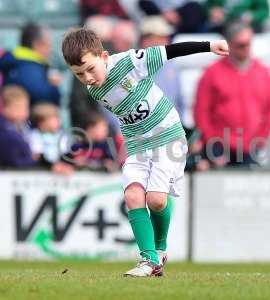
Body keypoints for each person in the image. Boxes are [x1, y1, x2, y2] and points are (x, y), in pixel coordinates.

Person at [61, 28, 228, 276]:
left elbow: (169, 51)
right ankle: (149, 260)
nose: (87, 78)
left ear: (105, 57)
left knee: (156, 200)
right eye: (79, 74)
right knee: (133, 196)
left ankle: (160, 247)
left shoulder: (130, 62)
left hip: (168, 136)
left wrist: (210, 45)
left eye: (90, 69)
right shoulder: (93, 89)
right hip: (137, 144)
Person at [194, 22, 270, 168]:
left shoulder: (263, 73)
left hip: (251, 148)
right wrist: (212, 140)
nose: (246, 49)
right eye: (241, 45)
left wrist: (260, 139)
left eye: (248, 44)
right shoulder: (212, 73)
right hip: (219, 148)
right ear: (229, 44)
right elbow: (201, 112)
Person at [0, 22, 61, 107]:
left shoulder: (13, 60)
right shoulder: (30, 69)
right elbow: (45, 104)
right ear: (37, 44)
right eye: (48, 44)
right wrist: (53, 87)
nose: (50, 49)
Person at [30, 103, 74, 175]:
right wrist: (51, 166)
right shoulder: (35, 136)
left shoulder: (62, 136)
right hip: (42, 170)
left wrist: (65, 165)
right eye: (54, 118)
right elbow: (37, 156)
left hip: (60, 170)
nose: (59, 121)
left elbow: (65, 153)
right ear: (41, 122)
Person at [0, 85, 35, 168]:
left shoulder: (25, 127)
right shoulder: (5, 133)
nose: (23, 112)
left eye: (25, 107)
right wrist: (33, 160)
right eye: (18, 107)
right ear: (4, 108)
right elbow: (13, 160)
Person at [204, 0, 270, 33]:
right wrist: (213, 12)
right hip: (223, 28)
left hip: (248, 29)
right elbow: (206, 7)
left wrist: (253, 16)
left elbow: (265, 12)